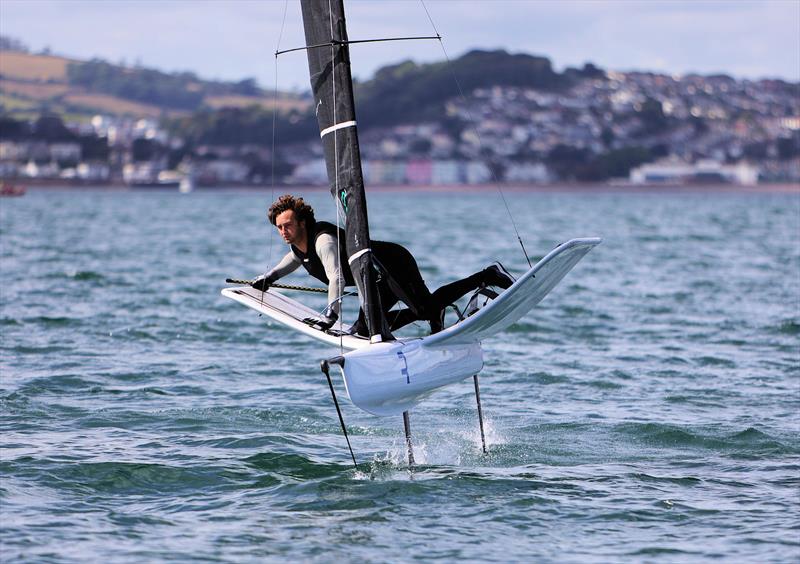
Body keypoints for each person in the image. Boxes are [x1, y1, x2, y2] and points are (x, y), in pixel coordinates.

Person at [252, 194, 514, 336]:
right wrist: (270, 277)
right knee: (365, 330)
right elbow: (294, 259)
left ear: (302, 223)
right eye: (279, 227)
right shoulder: (299, 246)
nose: (283, 231)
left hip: (392, 263)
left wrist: (330, 316)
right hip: (374, 279)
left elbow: (337, 278)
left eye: (287, 225)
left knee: (423, 307)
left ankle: (487, 275)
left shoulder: (323, 241)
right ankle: (435, 311)